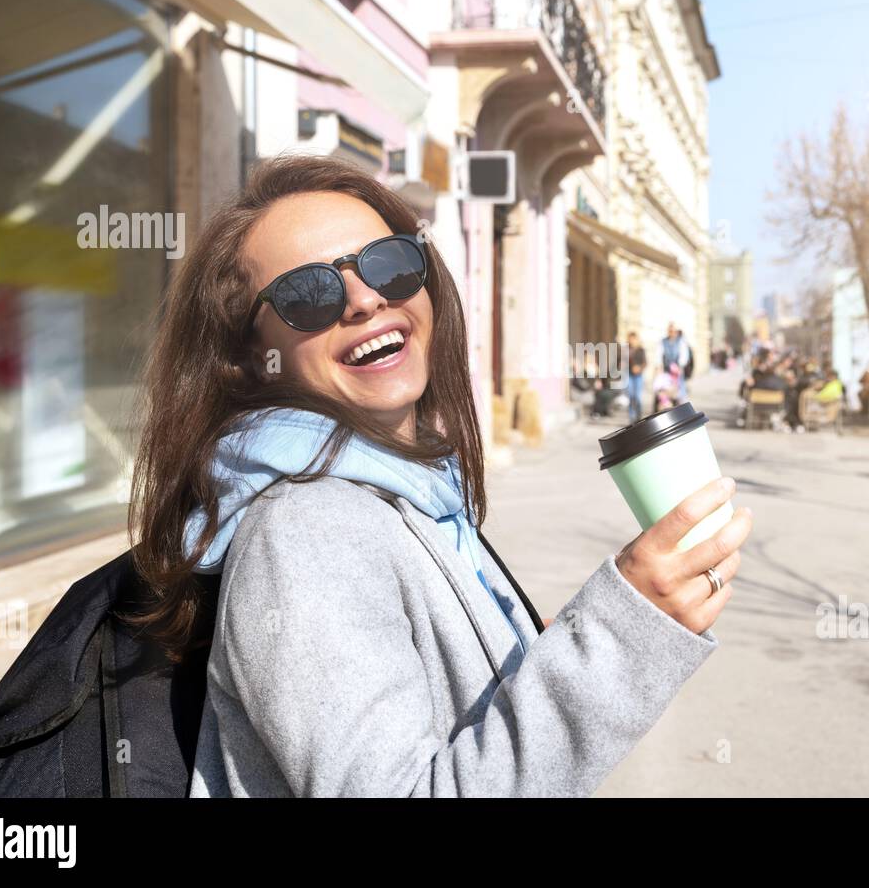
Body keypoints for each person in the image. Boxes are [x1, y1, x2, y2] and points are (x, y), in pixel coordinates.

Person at [124, 156, 751, 797]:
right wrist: (621, 631)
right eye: (308, 294)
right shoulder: (306, 532)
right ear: (251, 358)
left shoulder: (413, 493)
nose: (366, 299)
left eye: (388, 264)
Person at [662, 323, 692, 402]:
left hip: (678, 370)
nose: (671, 333)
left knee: (679, 392)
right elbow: (659, 356)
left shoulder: (681, 342)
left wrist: (679, 366)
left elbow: (684, 355)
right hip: (667, 370)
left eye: (673, 331)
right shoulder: (663, 341)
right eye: (670, 331)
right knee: (666, 392)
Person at [624, 331, 647, 422]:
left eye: (633, 339)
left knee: (637, 396)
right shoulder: (626, 349)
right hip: (629, 374)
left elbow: (645, 363)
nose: (631, 341)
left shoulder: (641, 350)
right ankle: (631, 416)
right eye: (630, 339)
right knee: (630, 395)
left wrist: (639, 368)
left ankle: (638, 416)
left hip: (638, 376)